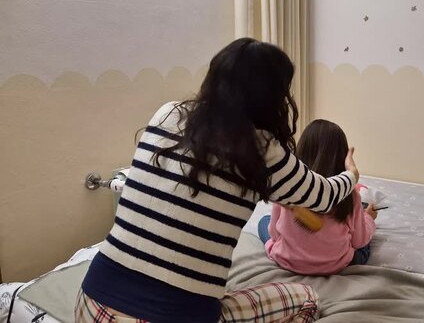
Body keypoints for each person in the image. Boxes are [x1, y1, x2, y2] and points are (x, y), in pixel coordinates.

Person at [75, 38, 359, 323]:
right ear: (274, 97)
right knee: (307, 300)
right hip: (171, 316)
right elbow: (324, 196)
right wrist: (351, 175)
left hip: (90, 303)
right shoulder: (264, 152)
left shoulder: (167, 113)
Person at [257, 119, 376, 275]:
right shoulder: (350, 196)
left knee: (264, 222)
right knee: (363, 245)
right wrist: (368, 218)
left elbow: (274, 233)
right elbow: (359, 240)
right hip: (335, 265)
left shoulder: (288, 185)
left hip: (289, 261)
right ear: (342, 157)